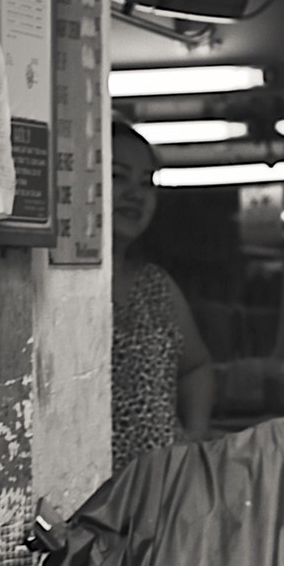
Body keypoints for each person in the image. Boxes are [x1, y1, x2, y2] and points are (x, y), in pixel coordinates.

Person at [112, 115, 215, 466]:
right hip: (85, 499)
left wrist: (195, 439)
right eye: (116, 177)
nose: (134, 195)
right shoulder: (61, 291)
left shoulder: (157, 287)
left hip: (161, 499)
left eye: (146, 183)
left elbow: (196, 366)